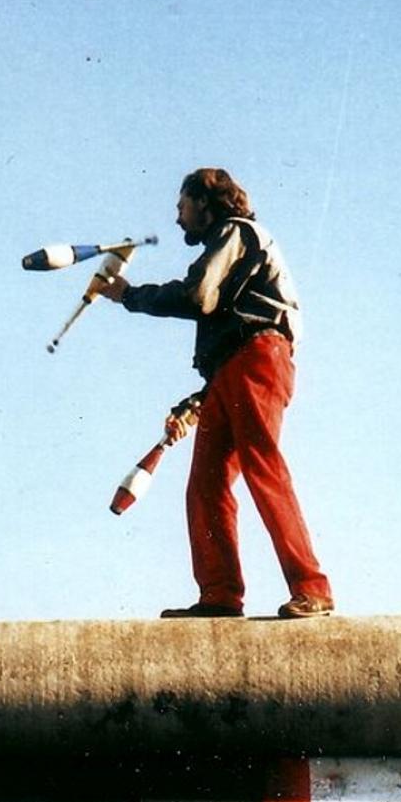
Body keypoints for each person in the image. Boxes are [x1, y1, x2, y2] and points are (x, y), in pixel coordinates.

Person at [99, 167, 334, 619]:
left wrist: (129, 295)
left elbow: (200, 296)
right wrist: (200, 399)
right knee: (205, 487)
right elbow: (226, 325)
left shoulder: (236, 232)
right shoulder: (230, 241)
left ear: (204, 201)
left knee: (261, 465)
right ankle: (219, 597)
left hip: (259, 356)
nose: (178, 218)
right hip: (233, 367)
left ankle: (312, 588)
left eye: (181, 207)